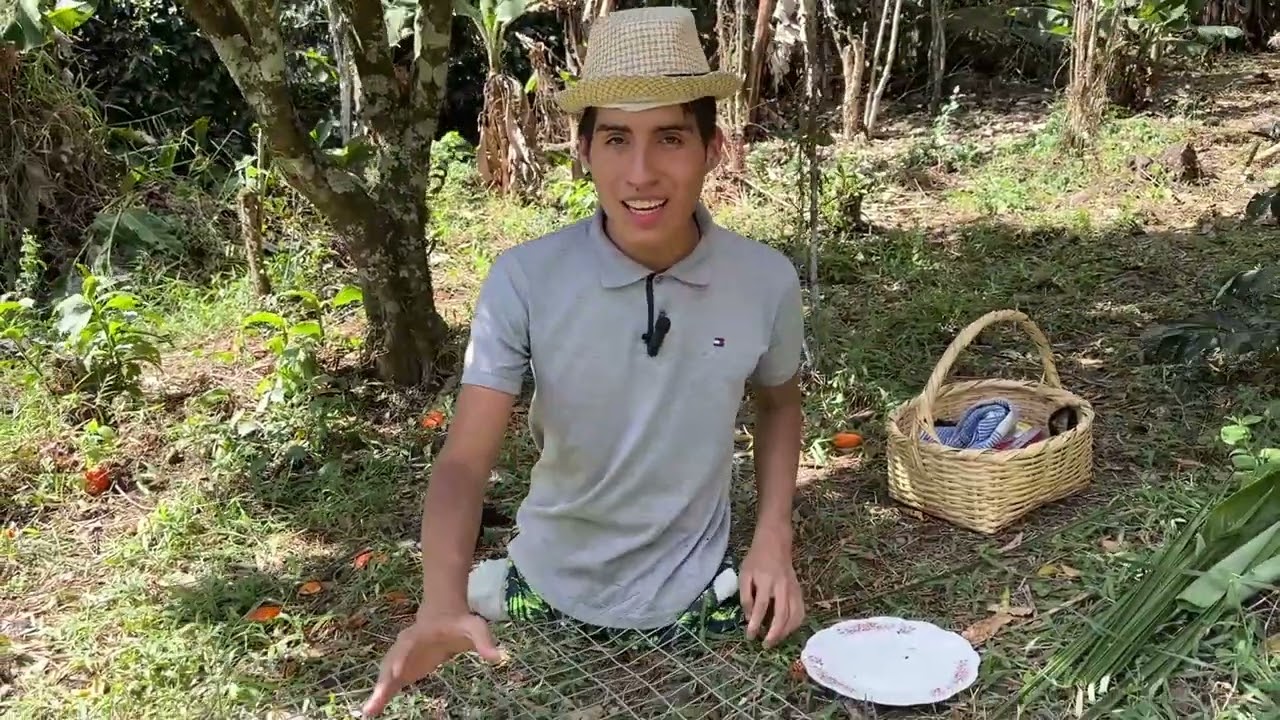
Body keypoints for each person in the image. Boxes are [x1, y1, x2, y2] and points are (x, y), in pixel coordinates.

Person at [361, 6, 806, 717]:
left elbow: (780, 403)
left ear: (713, 147)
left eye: (669, 137)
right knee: (501, 593)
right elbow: (464, 462)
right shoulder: (525, 279)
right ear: (583, 149)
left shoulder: (766, 280)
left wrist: (772, 541)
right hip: (549, 579)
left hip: (699, 586)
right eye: (616, 139)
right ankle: (493, 585)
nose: (641, 172)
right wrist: (440, 604)